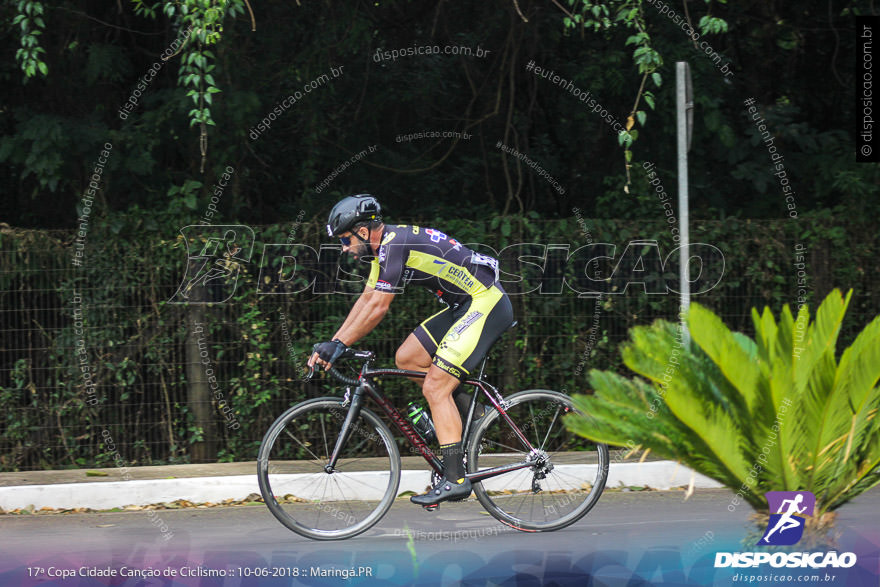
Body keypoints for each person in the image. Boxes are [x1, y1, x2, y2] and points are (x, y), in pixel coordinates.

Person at [307, 194, 515, 506]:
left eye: (345, 240)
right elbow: (366, 300)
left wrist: (340, 345)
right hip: (465, 305)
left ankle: (456, 479)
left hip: (485, 303)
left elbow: (379, 307)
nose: (345, 249)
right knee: (408, 358)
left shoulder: (394, 246)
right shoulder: (386, 247)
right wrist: (333, 343)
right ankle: (472, 417)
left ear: (363, 232)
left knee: (435, 387)